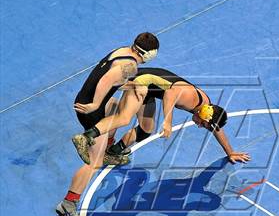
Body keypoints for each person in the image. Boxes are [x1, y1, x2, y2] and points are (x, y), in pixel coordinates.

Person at [56, 33, 160, 216]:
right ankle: (68, 204)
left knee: (113, 106)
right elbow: (107, 79)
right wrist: (95, 104)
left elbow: (113, 79)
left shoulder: (123, 51)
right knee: (93, 162)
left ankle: (109, 148)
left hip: (87, 100)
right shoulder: (131, 65)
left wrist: (131, 85)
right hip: (90, 110)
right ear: (149, 54)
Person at [72, 68, 251, 166]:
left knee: (146, 130)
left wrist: (230, 152)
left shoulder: (205, 108)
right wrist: (167, 121)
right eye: (202, 125)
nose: (199, 126)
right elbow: (170, 95)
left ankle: (112, 152)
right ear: (203, 115)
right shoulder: (191, 99)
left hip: (149, 89)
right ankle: (86, 137)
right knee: (124, 117)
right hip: (141, 81)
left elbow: (216, 130)